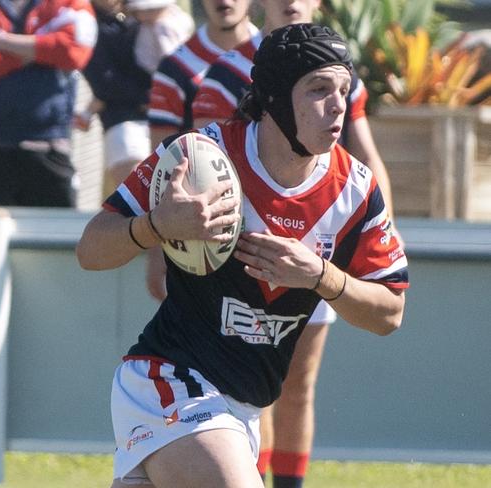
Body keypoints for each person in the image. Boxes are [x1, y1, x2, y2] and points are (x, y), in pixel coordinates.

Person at [76, 23, 408, 488]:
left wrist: (321, 277)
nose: (337, 106)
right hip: (169, 383)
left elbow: (389, 313)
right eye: (318, 90)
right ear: (272, 96)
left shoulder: (356, 192)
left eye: (343, 90)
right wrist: (156, 227)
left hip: (244, 411)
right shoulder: (200, 158)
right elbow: (91, 249)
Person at [191, 2, 398, 485]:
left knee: (298, 385)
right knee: (253, 380)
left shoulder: (339, 66)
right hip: (238, 247)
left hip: (320, 239)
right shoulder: (227, 70)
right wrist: (166, 242)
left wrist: (384, 225)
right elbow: (192, 161)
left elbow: (366, 155)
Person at [145, 0, 258, 300]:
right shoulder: (175, 68)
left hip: (265, 230)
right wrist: (158, 249)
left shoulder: (277, 57)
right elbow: (159, 162)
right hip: (200, 233)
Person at [0, 0, 97, 207]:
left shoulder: (68, 3)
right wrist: (38, 52)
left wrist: (4, 42)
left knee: (52, 233)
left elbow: (75, 49)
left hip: (47, 144)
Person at [76, 0, 154, 198]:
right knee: (138, 194)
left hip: (159, 120)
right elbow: (104, 83)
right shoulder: (89, 21)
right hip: (122, 121)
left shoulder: (143, 13)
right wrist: (148, 96)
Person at [126, 0, 195, 75]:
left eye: (149, 10)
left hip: (163, 73)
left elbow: (170, 52)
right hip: (147, 70)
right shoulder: (145, 25)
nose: (139, 14)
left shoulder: (164, 26)